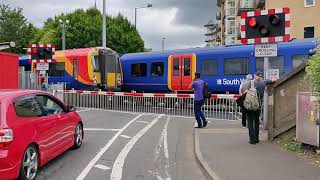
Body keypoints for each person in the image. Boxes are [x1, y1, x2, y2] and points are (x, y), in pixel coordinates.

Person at [240, 71, 276, 144]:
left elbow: (242, 90)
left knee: (250, 122)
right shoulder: (264, 82)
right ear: (261, 76)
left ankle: (252, 140)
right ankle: (256, 138)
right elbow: (274, 80)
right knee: (256, 122)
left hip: (250, 106)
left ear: (255, 76)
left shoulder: (249, 82)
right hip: (258, 106)